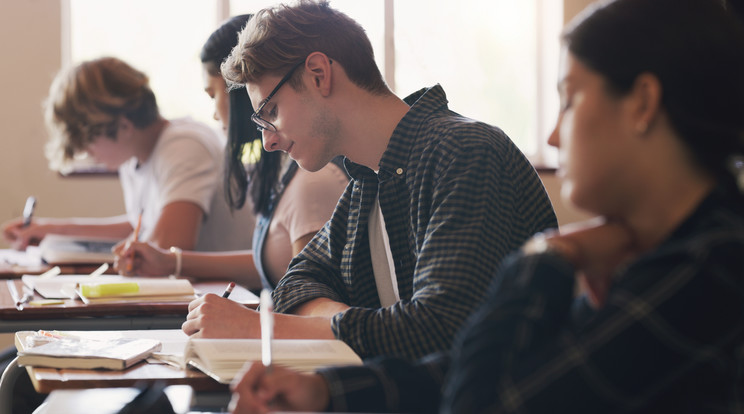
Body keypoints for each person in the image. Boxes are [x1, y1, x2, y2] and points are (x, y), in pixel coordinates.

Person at [226, 0, 744, 412]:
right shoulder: (368, 180)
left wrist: (546, 255)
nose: (554, 135)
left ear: (642, 103)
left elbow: (481, 394)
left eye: (569, 98)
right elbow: (484, 367)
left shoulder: (711, 268)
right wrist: (325, 395)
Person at [182, 0, 557, 361]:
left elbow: (438, 330)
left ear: (318, 75)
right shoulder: (367, 183)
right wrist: (354, 324)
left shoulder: (465, 153)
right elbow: (295, 284)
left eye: (272, 112)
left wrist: (263, 329)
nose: (268, 141)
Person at [113, 15, 349, 290]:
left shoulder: (311, 180)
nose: (214, 114)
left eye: (214, 95)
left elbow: (305, 298)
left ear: (242, 93)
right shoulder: (280, 174)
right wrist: (171, 262)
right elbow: (273, 264)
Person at [1, 57, 255, 253]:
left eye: (88, 142)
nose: (88, 154)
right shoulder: (136, 155)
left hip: (237, 296)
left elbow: (167, 249)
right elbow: (141, 227)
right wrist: (46, 229)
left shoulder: (183, 145)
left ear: (123, 126)